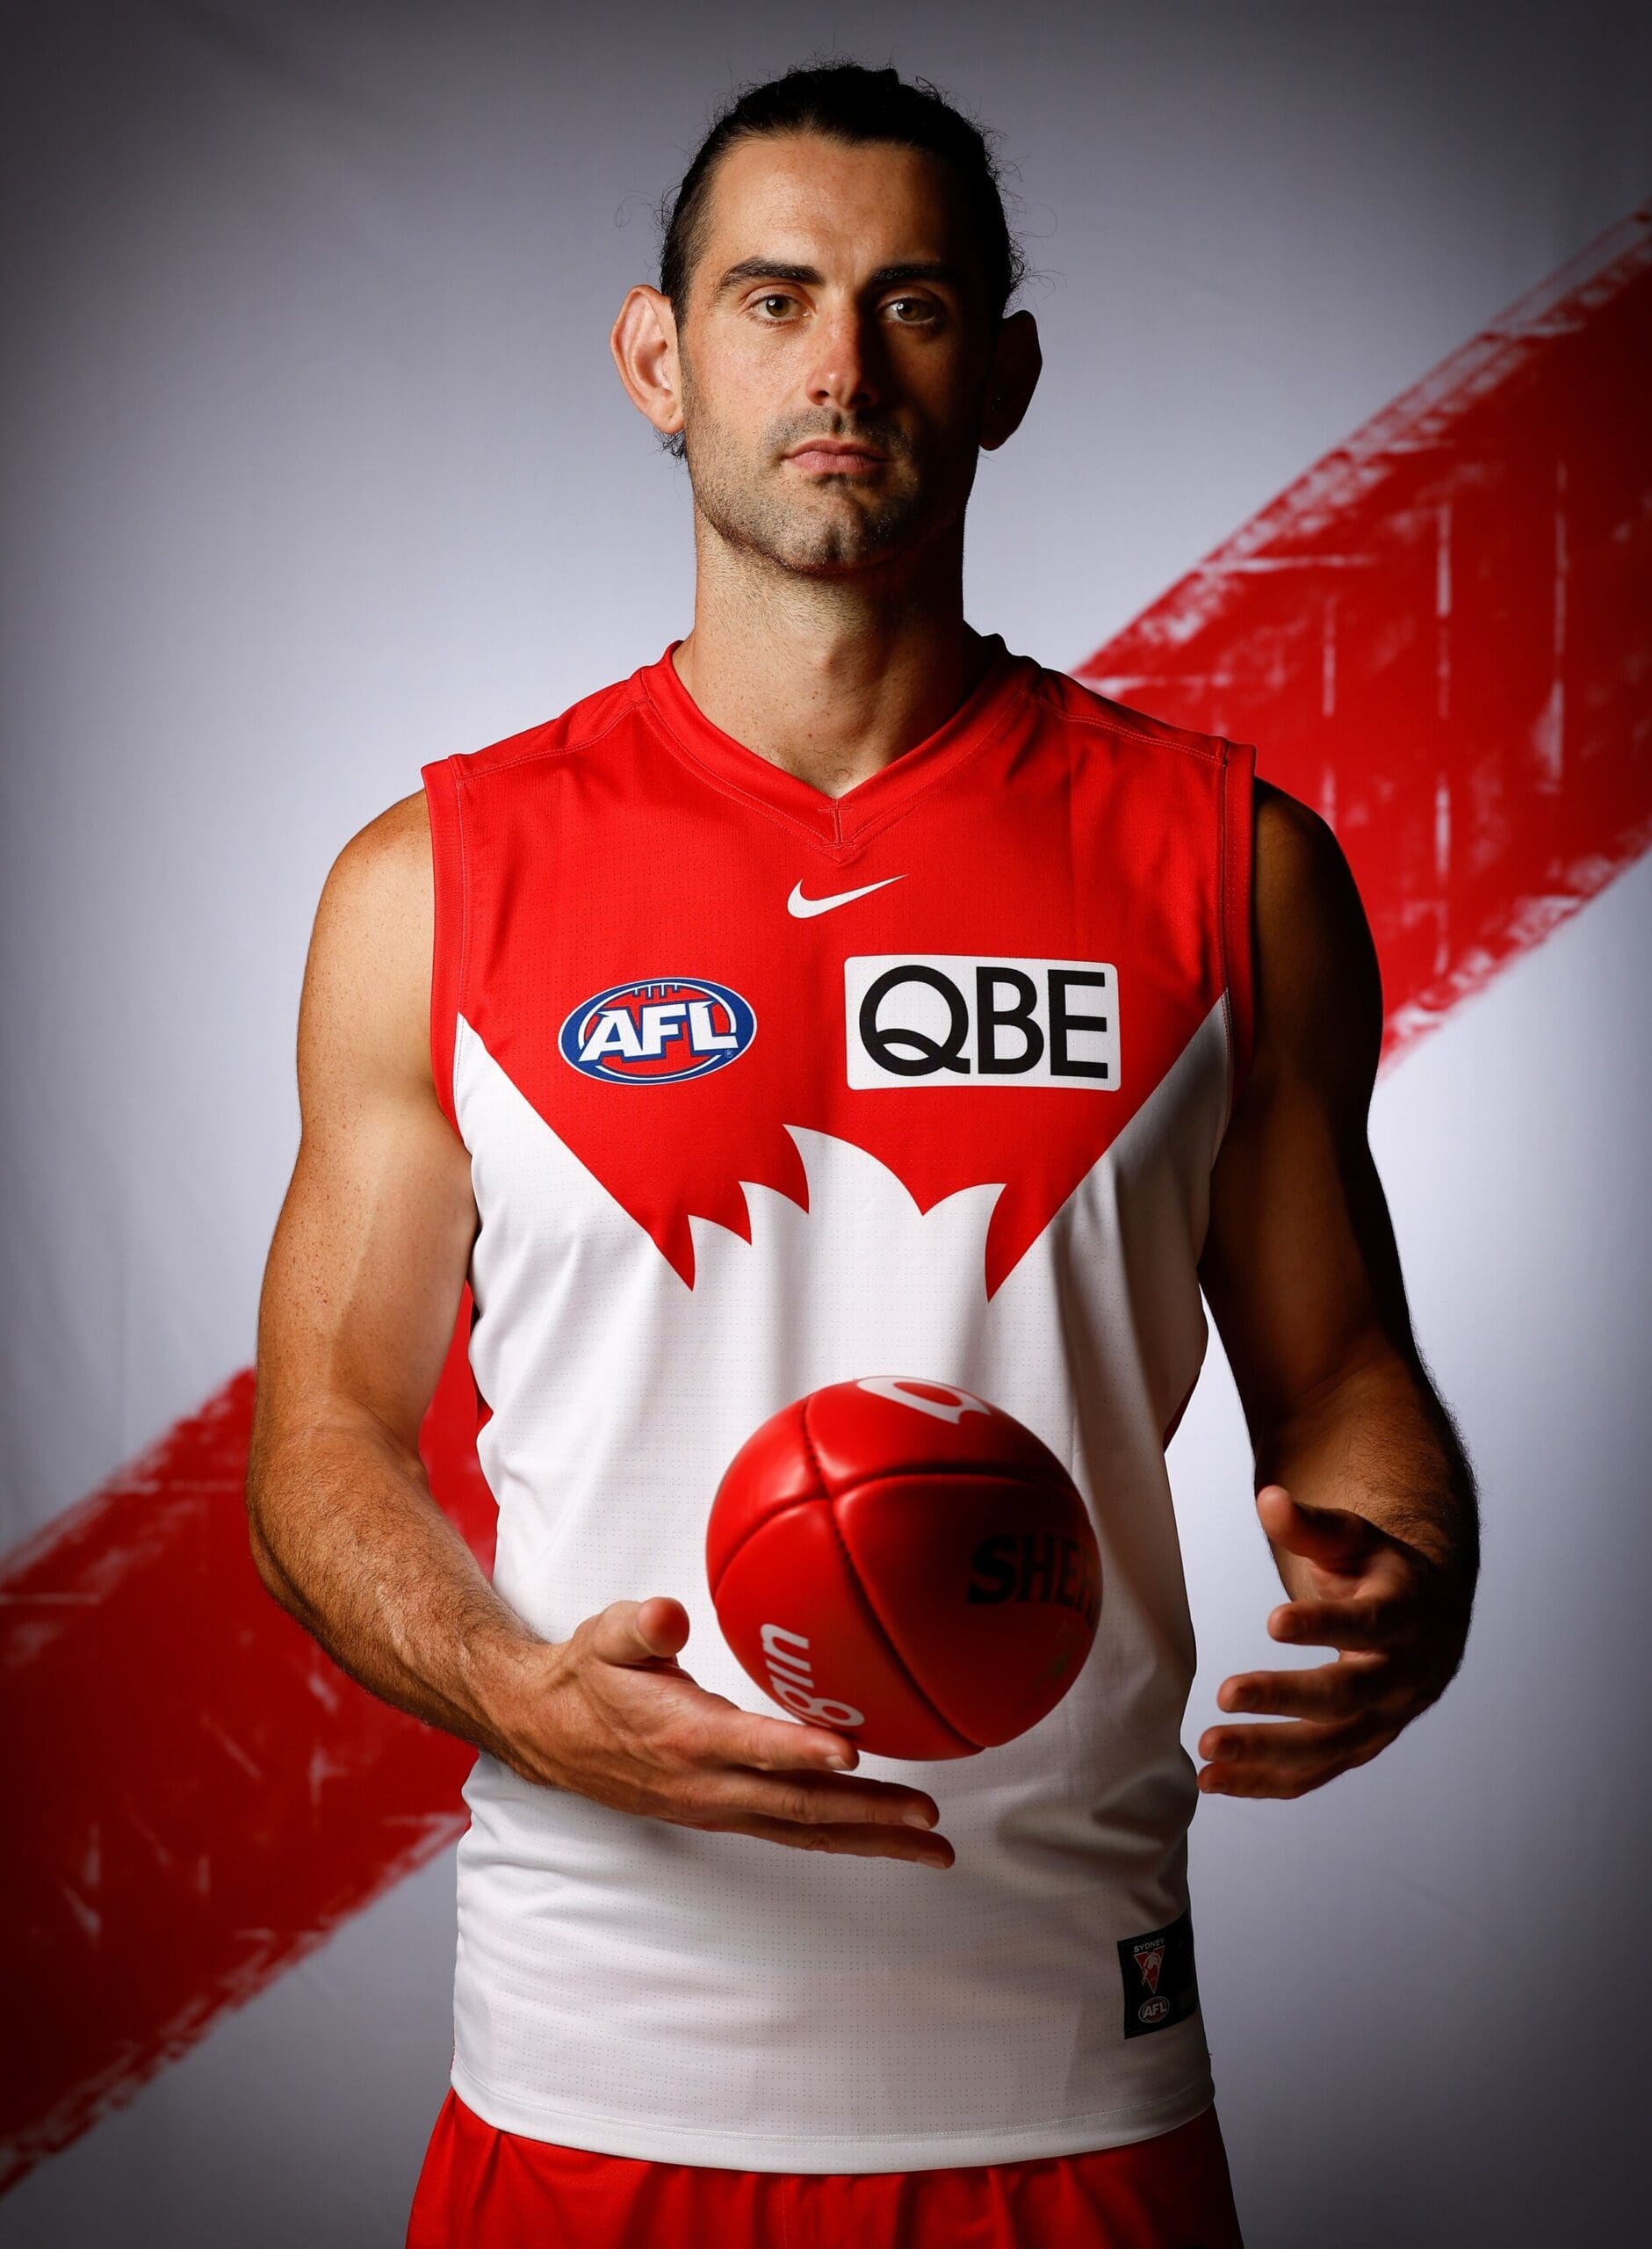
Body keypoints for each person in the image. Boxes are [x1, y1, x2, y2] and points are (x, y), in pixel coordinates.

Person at [244, 59, 1479, 2249]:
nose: (837, 363)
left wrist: (1402, 1558)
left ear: (999, 374)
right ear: (658, 357)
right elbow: (320, 1437)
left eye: (909, 304)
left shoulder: (1228, 865)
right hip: (583, 2073)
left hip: (1064, 2076)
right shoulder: (436, 881)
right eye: (770, 295)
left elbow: (1343, 1371)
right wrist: (519, 1691)